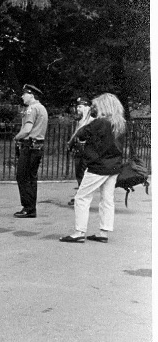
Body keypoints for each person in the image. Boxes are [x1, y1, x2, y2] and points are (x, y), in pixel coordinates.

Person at [60, 93, 126, 244]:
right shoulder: (120, 123)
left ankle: (79, 232)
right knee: (107, 199)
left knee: (82, 197)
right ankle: (104, 232)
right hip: (114, 166)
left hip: (98, 166)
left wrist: (86, 117)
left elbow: (81, 134)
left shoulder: (100, 123)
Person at [12, 84, 48, 218]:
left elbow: (27, 130)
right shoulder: (42, 108)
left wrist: (16, 137)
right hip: (37, 146)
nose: (22, 96)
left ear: (31, 95)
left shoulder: (31, 109)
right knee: (31, 177)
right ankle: (31, 207)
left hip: (29, 146)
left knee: (22, 176)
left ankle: (28, 208)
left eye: (24, 94)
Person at [67, 97, 94, 206]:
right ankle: (80, 195)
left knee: (84, 175)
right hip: (79, 150)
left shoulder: (91, 121)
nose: (77, 109)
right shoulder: (80, 121)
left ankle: (82, 197)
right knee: (79, 174)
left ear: (87, 107)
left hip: (86, 151)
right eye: (77, 107)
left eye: (80, 106)